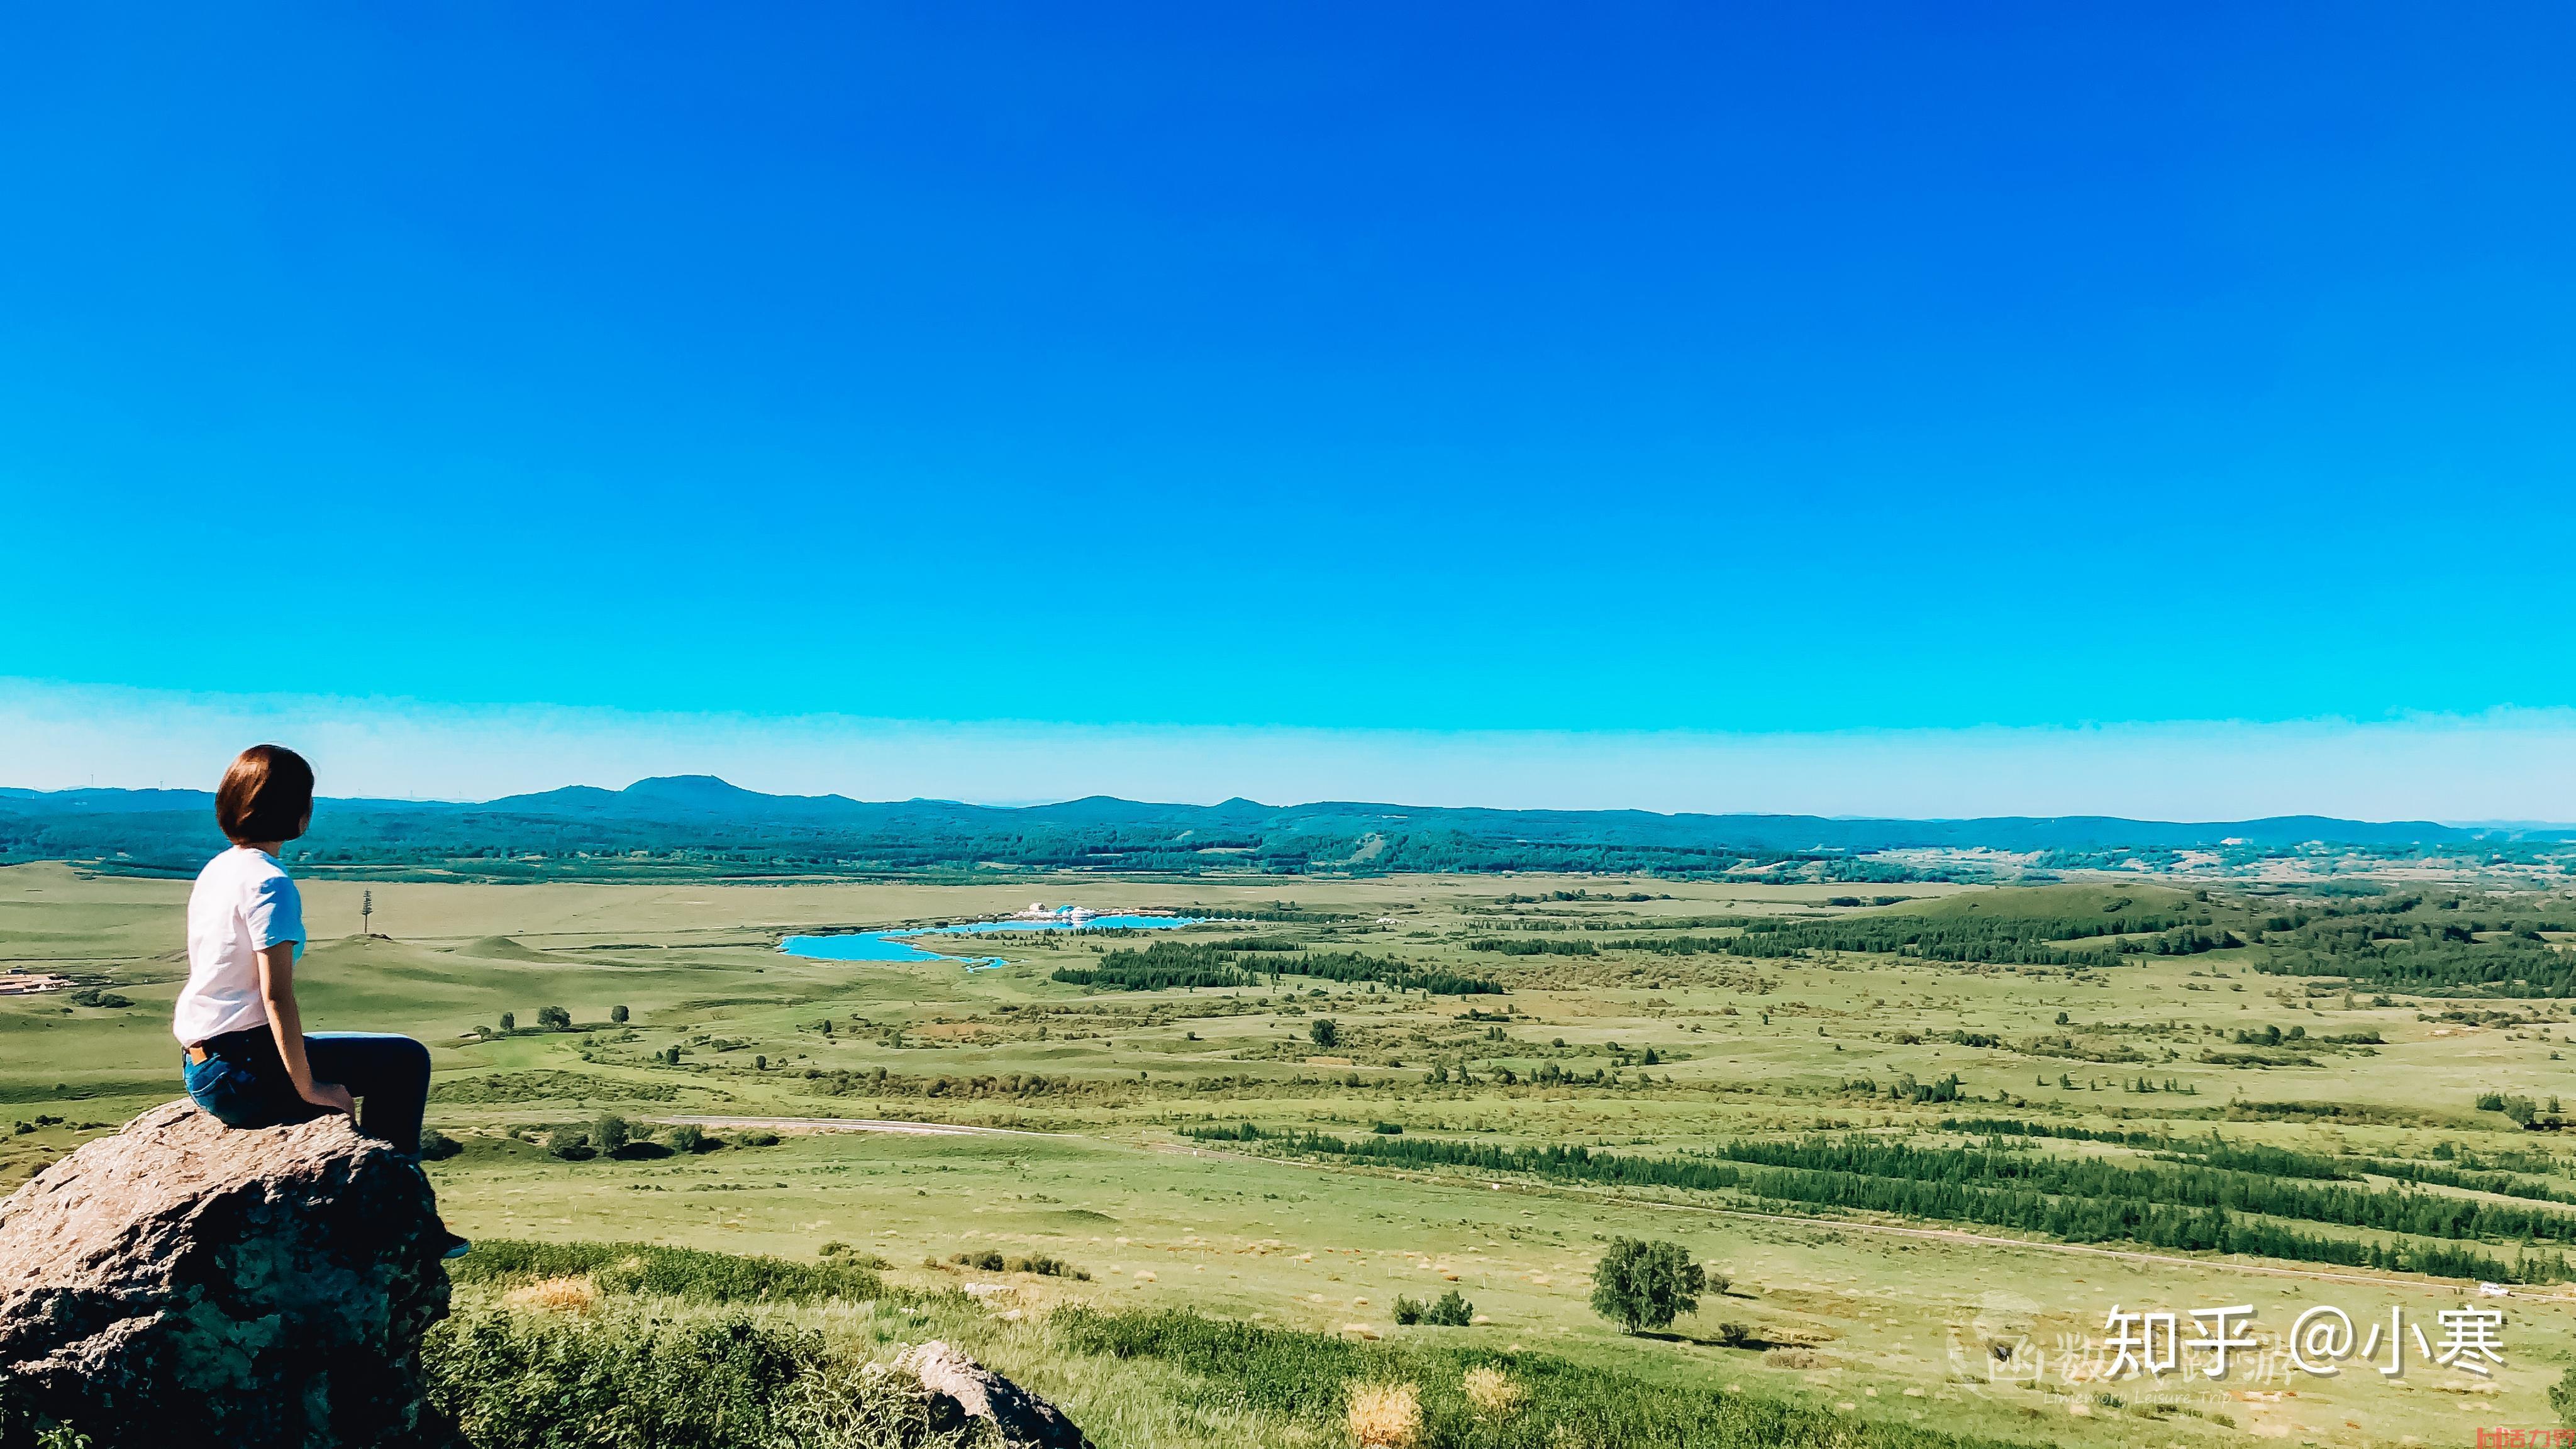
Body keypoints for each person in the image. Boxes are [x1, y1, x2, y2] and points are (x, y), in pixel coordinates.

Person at [174, 745, 440, 1164]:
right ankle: (393, 1189)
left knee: (380, 1053)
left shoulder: (220, 868)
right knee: (406, 1061)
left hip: (202, 1066)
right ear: (295, 808)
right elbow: (275, 996)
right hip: (243, 1070)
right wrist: (310, 1088)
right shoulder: (269, 882)